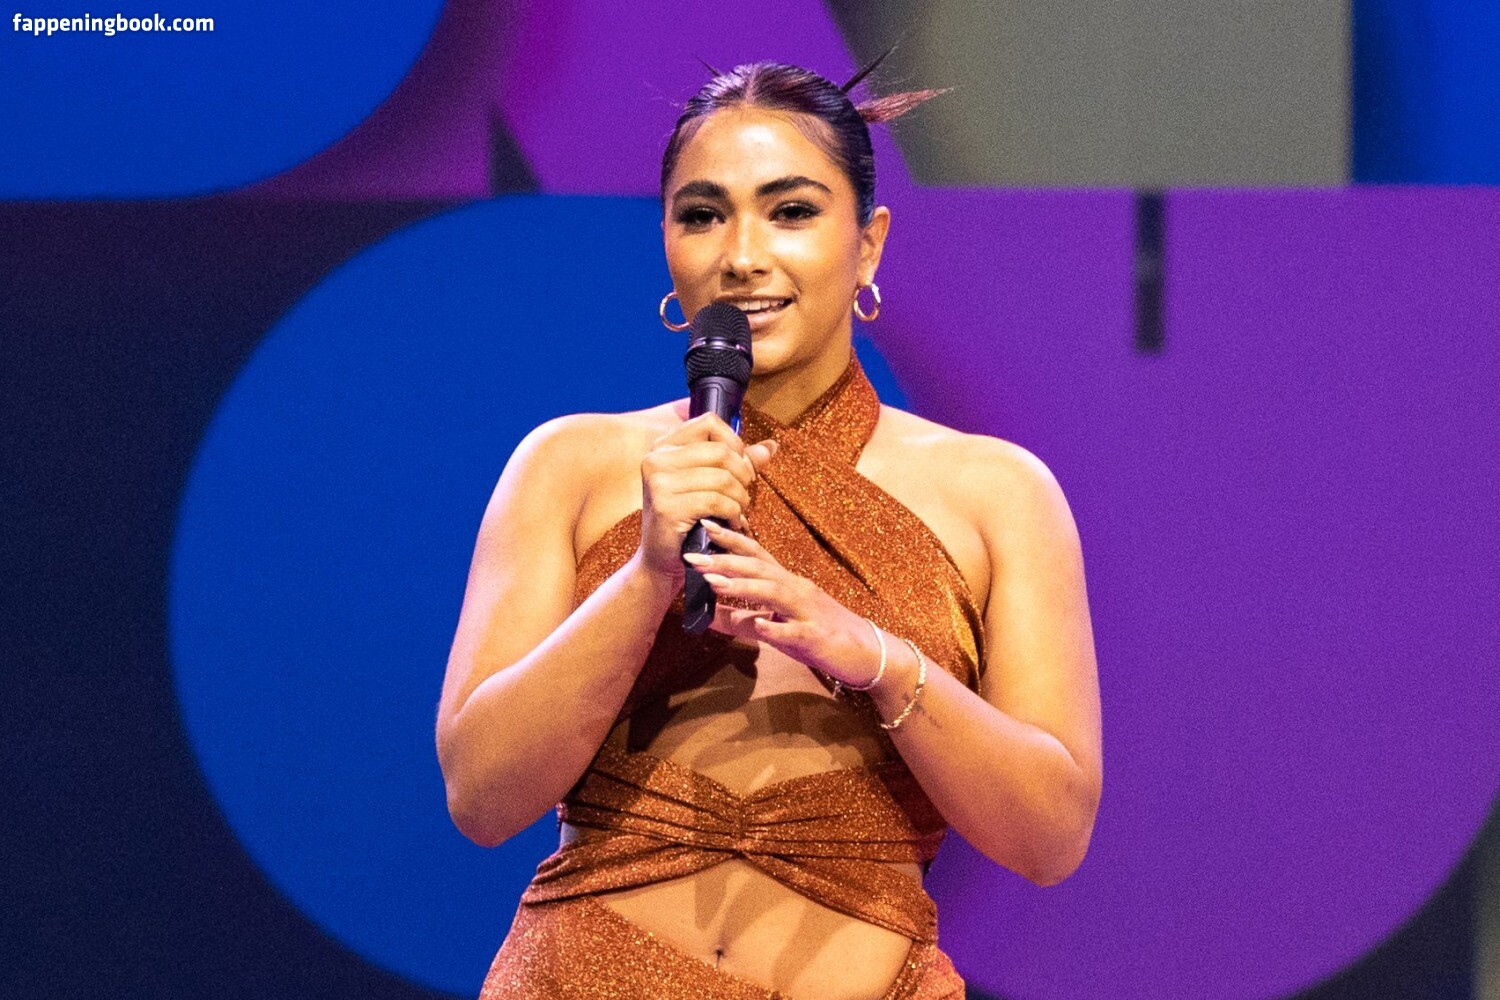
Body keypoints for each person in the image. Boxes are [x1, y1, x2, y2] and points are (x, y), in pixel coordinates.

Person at [435, 57, 1102, 1000]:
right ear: (667, 243)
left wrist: (876, 657)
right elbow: (481, 796)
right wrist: (644, 580)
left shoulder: (998, 492)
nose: (742, 255)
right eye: (703, 215)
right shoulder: (570, 466)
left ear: (868, 245)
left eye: (790, 211)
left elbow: (1049, 836)